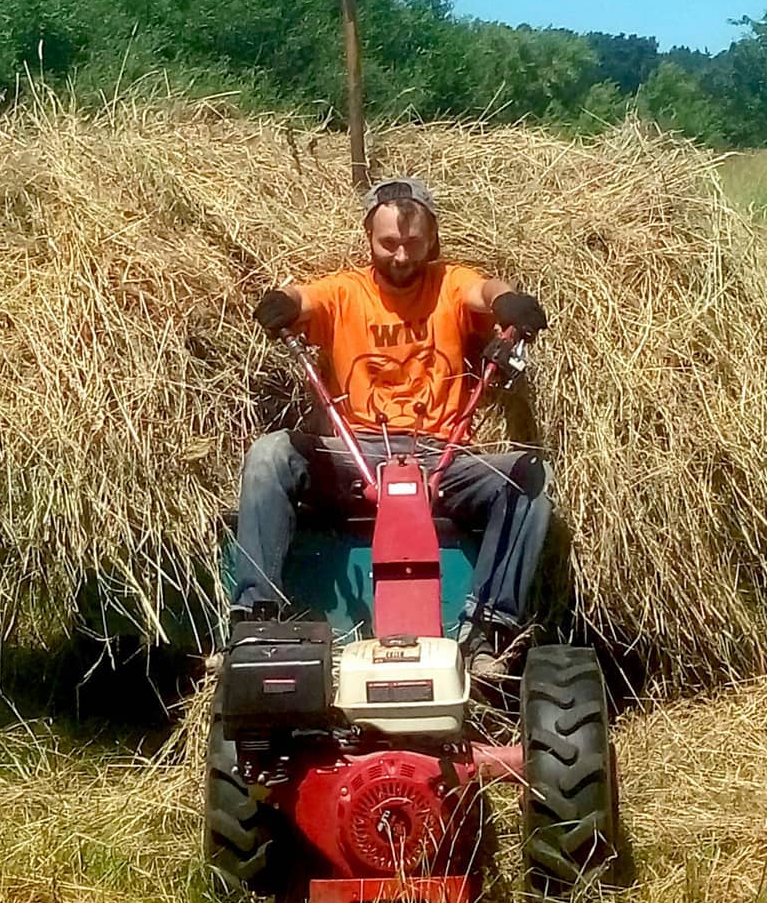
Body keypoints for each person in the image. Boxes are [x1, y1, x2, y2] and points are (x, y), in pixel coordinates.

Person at [232, 177, 551, 674]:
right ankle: (257, 616)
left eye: (413, 243)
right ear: (369, 238)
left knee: (528, 478)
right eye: (388, 243)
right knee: (270, 454)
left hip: (439, 456)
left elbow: (484, 291)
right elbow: (306, 299)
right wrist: (285, 304)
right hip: (356, 454)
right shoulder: (345, 291)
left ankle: (487, 630)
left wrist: (508, 302)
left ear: (431, 239)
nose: (401, 255)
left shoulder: (449, 283)